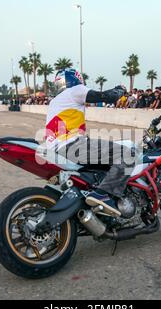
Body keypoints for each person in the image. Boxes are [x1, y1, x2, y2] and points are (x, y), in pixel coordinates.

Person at [45, 68, 133, 216]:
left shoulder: (55, 101)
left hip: (56, 149)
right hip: (72, 146)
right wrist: (121, 89)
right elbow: (107, 96)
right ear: (76, 79)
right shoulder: (75, 91)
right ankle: (103, 195)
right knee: (128, 154)